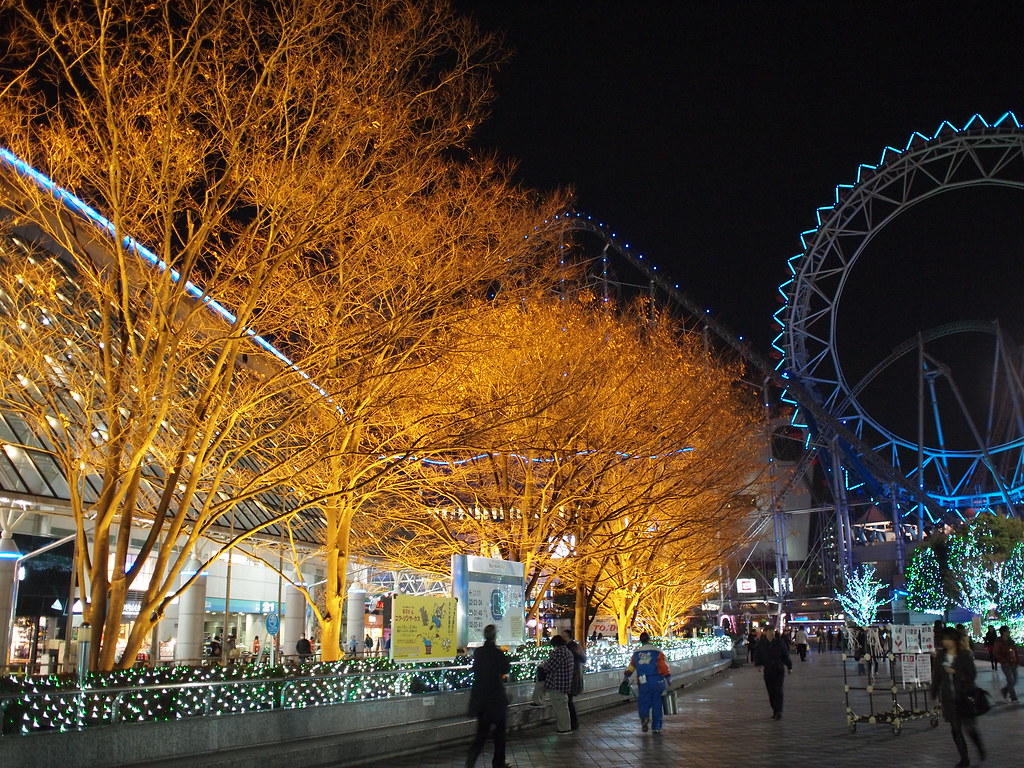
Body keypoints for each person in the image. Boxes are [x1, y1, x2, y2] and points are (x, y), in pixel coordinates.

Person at [931, 627, 985, 767]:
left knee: (969, 727)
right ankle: (964, 758)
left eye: (949, 639)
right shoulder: (940, 656)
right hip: (949, 698)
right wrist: (934, 691)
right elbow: (937, 676)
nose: (946, 642)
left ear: (955, 640)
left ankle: (979, 747)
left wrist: (955, 672)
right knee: (955, 729)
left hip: (964, 697)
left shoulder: (964, 655)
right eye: (944, 639)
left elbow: (972, 675)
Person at [466, 624, 512, 768]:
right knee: (499, 735)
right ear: (494, 636)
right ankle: (498, 762)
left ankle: (471, 761)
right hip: (496, 699)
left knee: (481, 734)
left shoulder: (478, 653)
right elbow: (505, 668)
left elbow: (476, 669)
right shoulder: (497, 653)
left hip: (481, 699)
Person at [623, 631, 672, 734]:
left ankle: (644, 718)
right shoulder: (657, 651)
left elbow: (631, 666)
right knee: (656, 703)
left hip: (642, 681)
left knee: (644, 701)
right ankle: (656, 727)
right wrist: (668, 677)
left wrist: (626, 676)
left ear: (640, 641)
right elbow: (663, 666)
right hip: (656, 680)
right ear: (649, 639)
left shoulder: (636, 653)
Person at [754, 627, 792, 719]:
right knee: (771, 691)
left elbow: (785, 654)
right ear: (765, 632)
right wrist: (758, 664)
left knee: (778, 690)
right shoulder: (761, 643)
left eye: (773, 631)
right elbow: (757, 654)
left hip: (778, 669)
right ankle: (775, 710)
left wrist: (789, 666)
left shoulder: (779, 642)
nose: (772, 633)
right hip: (768, 670)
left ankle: (778, 711)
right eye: (770, 631)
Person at [538, 634, 574, 733]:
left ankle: (564, 729)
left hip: (557, 684)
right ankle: (566, 728)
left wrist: (544, 664)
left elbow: (549, 667)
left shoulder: (559, 653)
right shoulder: (567, 652)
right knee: (563, 707)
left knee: (560, 708)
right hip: (564, 684)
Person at [564, 630, 586, 731]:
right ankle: (573, 722)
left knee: (568, 701)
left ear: (568, 637)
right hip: (576, 676)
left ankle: (573, 722)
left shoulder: (569, 648)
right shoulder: (577, 647)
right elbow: (583, 659)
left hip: (571, 677)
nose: (562, 638)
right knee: (569, 700)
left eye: (564, 636)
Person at [992, 625, 1019, 702]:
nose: (1009, 632)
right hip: (1006, 664)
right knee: (1010, 680)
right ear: (1004, 632)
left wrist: (1016, 660)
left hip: (1013, 662)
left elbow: (1015, 651)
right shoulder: (999, 642)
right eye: (1008, 631)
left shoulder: (1010, 641)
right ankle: (1013, 697)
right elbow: (996, 653)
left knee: (1015, 680)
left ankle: (1005, 690)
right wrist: (1004, 661)